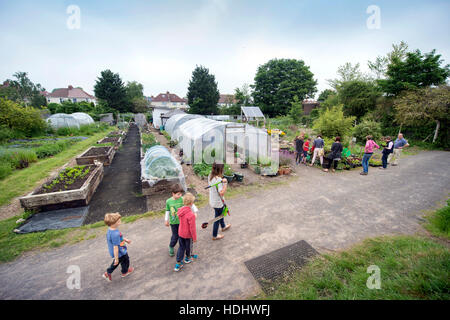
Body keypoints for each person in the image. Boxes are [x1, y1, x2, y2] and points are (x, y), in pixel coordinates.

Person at [102, 213, 134, 282]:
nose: (120, 221)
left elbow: (120, 237)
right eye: (118, 221)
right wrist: (116, 258)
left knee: (117, 263)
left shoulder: (110, 230)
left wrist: (125, 240)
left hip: (117, 252)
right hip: (120, 252)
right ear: (113, 223)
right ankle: (124, 272)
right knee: (125, 260)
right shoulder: (115, 234)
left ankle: (108, 273)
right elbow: (115, 247)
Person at [174, 193, 198, 272]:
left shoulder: (180, 210)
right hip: (188, 235)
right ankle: (187, 258)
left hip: (181, 233)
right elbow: (192, 228)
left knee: (181, 247)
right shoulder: (191, 215)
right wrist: (194, 238)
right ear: (191, 203)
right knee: (188, 246)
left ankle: (178, 263)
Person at [208, 162, 231, 240]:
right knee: (217, 218)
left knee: (220, 214)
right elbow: (221, 193)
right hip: (218, 203)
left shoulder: (210, 176)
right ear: (220, 170)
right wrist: (225, 183)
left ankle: (223, 226)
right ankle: (215, 235)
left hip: (213, 201)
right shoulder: (218, 180)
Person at [165, 184, 184, 257]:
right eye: (178, 194)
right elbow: (167, 211)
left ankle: (182, 247)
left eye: (181, 194)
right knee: (175, 236)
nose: (180, 195)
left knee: (182, 235)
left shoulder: (182, 199)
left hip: (182, 221)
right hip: (173, 222)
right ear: (173, 193)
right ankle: (171, 246)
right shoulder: (168, 201)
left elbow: (188, 206)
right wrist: (166, 220)